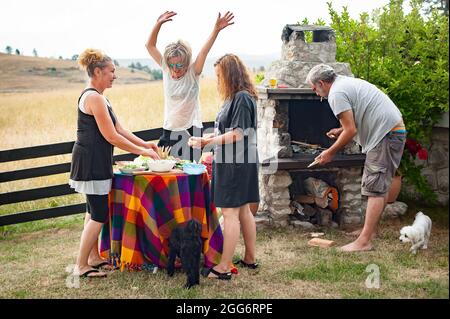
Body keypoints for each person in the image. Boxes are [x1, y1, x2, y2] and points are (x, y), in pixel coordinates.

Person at [69, 48, 160, 278]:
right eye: (111, 71)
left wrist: (146, 145)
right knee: (98, 213)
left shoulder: (101, 98)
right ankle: (80, 266)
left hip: (95, 162)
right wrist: (143, 152)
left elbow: (121, 129)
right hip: (91, 164)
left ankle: (92, 258)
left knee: (92, 211)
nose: (114, 75)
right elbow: (112, 137)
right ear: (98, 72)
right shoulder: (94, 98)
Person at [306, 64, 406, 252]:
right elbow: (353, 124)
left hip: (386, 135)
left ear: (321, 83)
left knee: (374, 187)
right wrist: (340, 130)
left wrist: (330, 152)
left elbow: (351, 130)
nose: (314, 91)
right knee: (380, 184)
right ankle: (370, 232)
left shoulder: (336, 94)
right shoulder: (344, 83)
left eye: (314, 87)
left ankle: (364, 241)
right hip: (392, 131)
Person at [188, 54, 260, 279]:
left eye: (219, 75)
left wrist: (206, 142)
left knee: (230, 213)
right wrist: (210, 138)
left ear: (230, 75)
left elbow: (238, 134)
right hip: (239, 161)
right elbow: (228, 132)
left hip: (235, 163)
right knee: (244, 210)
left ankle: (224, 267)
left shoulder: (241, 98)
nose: (218, 80)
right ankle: (250, 257)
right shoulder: (236, 98)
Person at [145, 11, 234, 160]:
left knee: (189, 171)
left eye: (180, 64)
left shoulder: (193, 72)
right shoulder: (166, 70)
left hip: (192, 130)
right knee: (164, 167)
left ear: (187, 62)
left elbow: (204, 52)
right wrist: (158, 24)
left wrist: (216, 30)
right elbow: (150, 46)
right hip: (170, 129)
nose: (176, 69)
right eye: (172, 65)